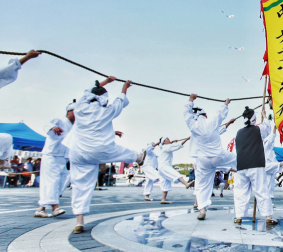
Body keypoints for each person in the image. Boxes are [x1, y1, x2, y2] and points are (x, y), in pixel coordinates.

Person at [65, 77, 145, 234]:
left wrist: (106, 81)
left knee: (80, 186)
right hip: (99, 150)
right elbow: (120, 101)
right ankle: (138, 158)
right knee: (119, 151)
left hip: (78, 152)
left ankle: (79, 221)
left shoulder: (79, 108)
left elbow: (90, 92)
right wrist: (125, 86)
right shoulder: (106, 111)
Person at [185, 94, 237, 220]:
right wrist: (226, 103)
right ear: (206, 115)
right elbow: (220, 113)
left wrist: (191, 100)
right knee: (238, 160)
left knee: (202, 185)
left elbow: (186, 113)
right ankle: (253, 169)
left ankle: (202, 210)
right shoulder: (212, 122)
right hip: (218, 155)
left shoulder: (193, 126)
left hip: (203, 159)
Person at [233, 107, 277, 225]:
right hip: (256, 165)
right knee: (261, 191)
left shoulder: (239, 133)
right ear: (254, 118)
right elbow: (267, 127)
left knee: (240, 192)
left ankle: (239, 216)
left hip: (241, 166)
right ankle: (268, 217)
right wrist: (264, 115)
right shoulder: (258, 129)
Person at [34, 100, 76, 218]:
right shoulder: (59, 120)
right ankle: (55, 207)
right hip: (51, 155)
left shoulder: (75, 127)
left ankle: (41, 209)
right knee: (53, 180)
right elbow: (47, 125)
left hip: (64, 158)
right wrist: (53, 127)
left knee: (61, 182)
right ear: (69, 111)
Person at [156, 137, 194, 204]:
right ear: (164, 142)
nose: (169, 139)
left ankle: (163, 200)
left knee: (166, 183)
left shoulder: (163, 147)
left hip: (161, 167)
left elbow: (171, 145)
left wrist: (172, 142)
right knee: (176, 175)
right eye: (167, 139)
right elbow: (178, 146)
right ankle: (186, 184)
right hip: (164, 167)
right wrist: (187, 139)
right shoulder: (166, 147)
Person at [264, 121, 283, 200]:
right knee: (266, 188)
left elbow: (275, 162)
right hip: (266, 168)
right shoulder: (265, 146)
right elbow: (271, 139)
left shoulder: (272, 152)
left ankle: (268, 203)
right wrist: (274, 128)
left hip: (271, 172)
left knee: (270, 188)